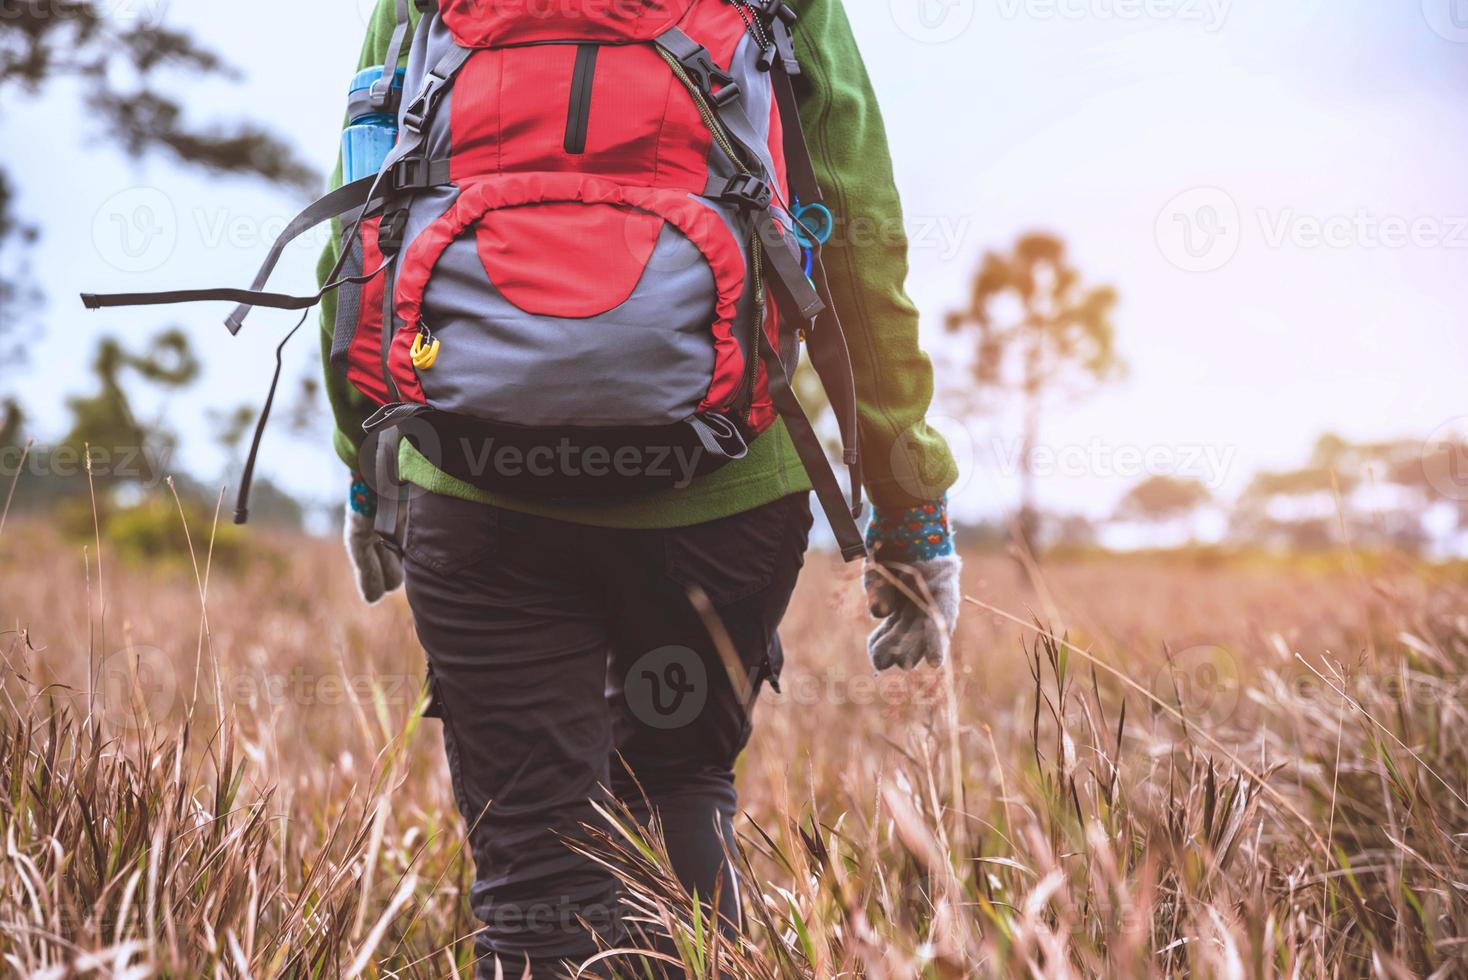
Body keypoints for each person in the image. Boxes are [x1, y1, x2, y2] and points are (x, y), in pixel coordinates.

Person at [322, 1, 962, 975]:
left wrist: (369, 471)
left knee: (532, 862)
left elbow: (361, 227)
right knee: (678, 784)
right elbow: (860, 243)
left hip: (474, 487)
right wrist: (908, 509)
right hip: (727, 488)